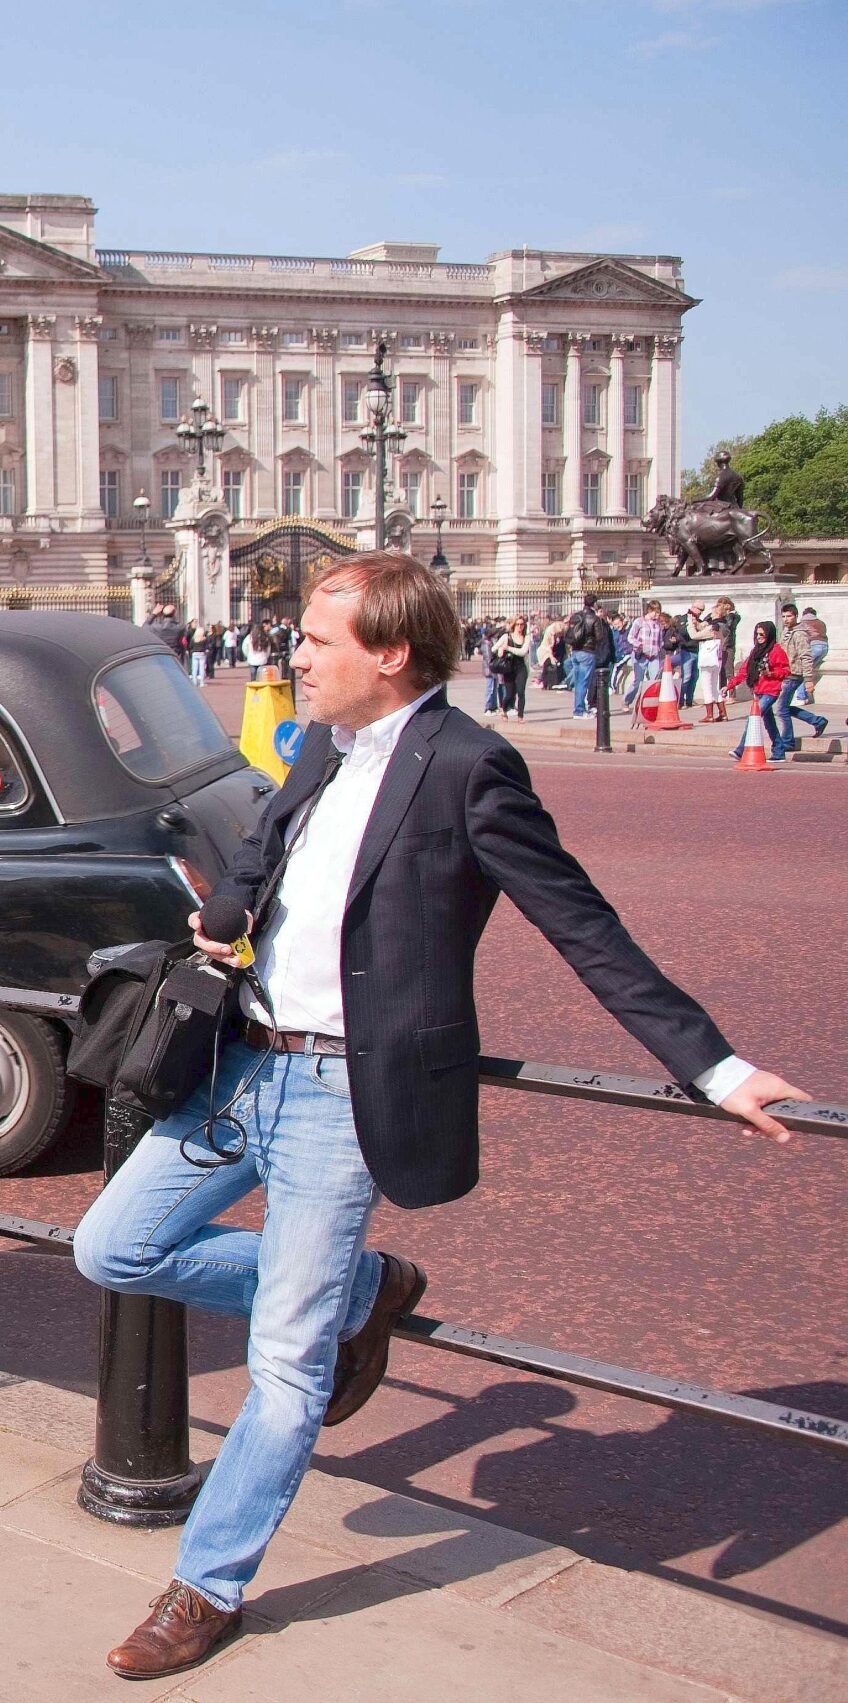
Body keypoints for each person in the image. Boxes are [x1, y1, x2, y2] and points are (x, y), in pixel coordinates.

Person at [72, 551, 806, 1681]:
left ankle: (207, 1583)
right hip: (239, 1068)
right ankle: (364, 1290)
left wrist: (711, 1065)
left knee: (284, 1363)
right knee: (111, 1244)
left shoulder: (472, 766)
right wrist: (218, 909)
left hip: (339, 1095)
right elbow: (266, 855)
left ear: (390, 652)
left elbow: (583, 925)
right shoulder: (321, 741)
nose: (290, 657)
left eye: (314, 641)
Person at [733, 621, 794, 761]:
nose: (759, 637)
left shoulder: (776, 650)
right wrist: (730, 686)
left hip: (770, 691)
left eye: (762, 634)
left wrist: (771, 674)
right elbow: (744, 671)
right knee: (769, 723)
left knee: (753, 718)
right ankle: (779, 752)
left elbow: (785, 670)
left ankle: (741, 749)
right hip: (758, 690)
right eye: (757, 634)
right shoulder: (755, 651)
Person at [775, 605, 830, 748]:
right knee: (783, 707)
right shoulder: (787, 632)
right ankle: (817, 721)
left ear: (796, 616)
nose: (786, 619)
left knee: (781, 709)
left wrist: (808, 680)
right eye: (784, 616)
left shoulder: (800, 634)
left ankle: (788, 741)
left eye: (789, 616)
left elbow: (806, 656)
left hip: (795, 674)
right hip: (785, 673)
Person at [692, 608, 726, 722]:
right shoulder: (723, 625)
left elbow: (695, 636)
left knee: (706, 686)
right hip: (717, 658)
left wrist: (692, 626)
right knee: (715, 686)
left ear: (716, 614)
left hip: (708, 659)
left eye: (712, 612)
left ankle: (709, 715)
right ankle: (723, 713)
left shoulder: (713, 626)